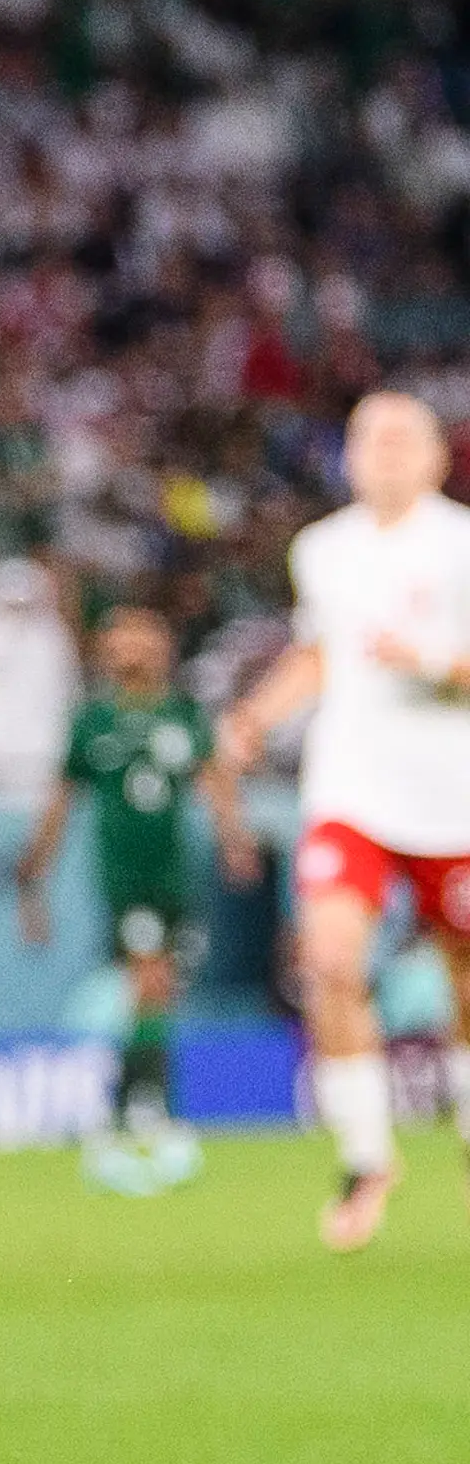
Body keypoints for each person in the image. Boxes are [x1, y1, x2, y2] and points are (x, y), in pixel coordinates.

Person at [213, 390, 470, 1250]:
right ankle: (367, 1157)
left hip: (452, 797)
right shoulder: (321, 550)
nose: (385, 452)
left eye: (403, 438)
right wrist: (255, 716)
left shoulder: (460, 544)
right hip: (352, 791)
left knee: (464, 978)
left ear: (437, 455)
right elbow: (321, 652)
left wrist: (431, 663)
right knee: (328, 960)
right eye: (369, 438)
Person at [16, 606, 237, 1194]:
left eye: (142, 636)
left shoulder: (184, 715)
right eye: (120, 638)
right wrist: (33, 877)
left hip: (176, 879)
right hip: (126, 880)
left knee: (156, 997)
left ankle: (123, 1117)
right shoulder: (92, 723)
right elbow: (61, 803)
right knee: (150, 984)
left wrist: (235, 842)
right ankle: (145, 1117)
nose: (130, 648)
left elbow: (215, 782)